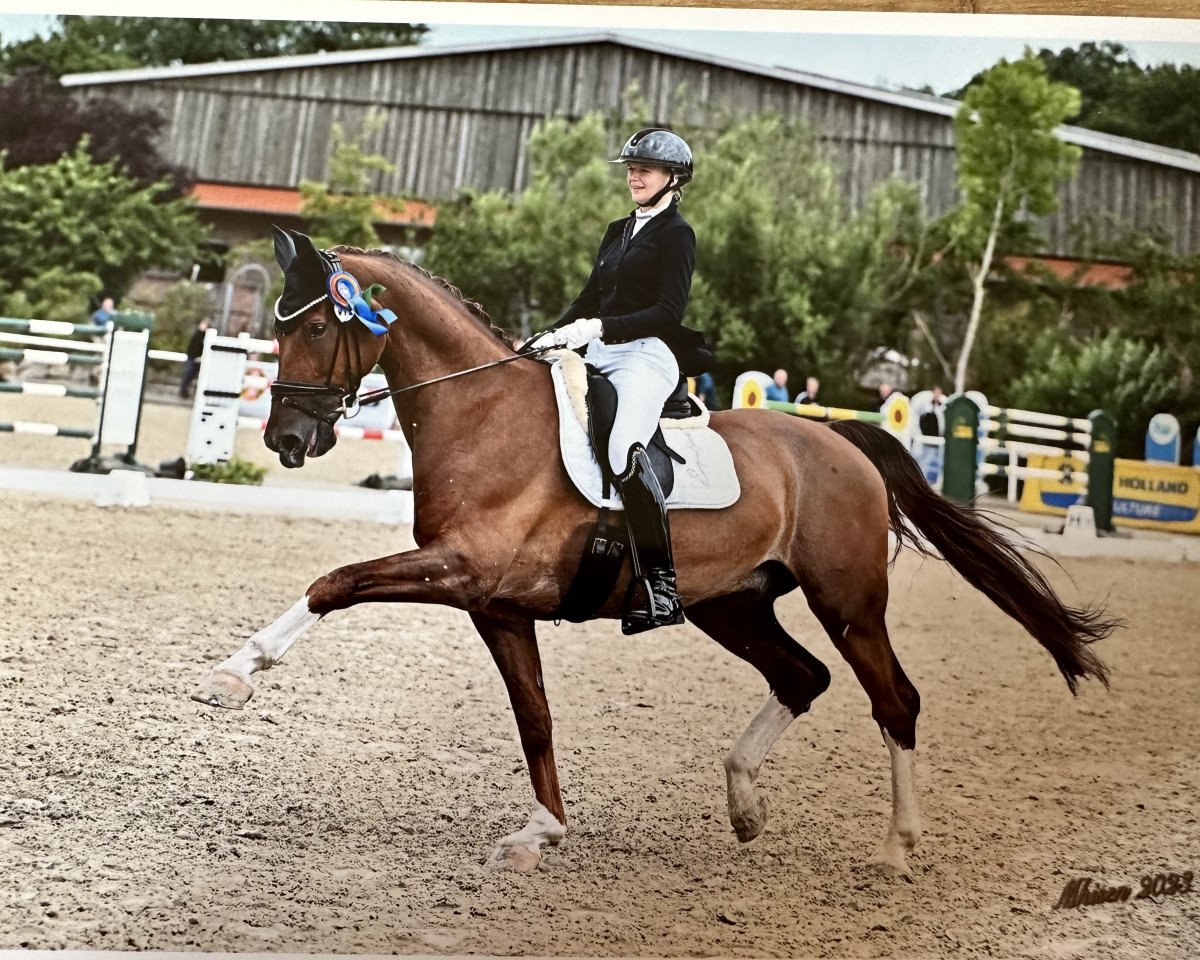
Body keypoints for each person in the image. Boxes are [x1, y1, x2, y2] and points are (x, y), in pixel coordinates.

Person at [527, 128, 710, 634]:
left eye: (644, 168)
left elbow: (667, 313)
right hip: (600, 348)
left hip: (647, 356)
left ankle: (661, 586)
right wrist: (552, 332)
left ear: (673, 179)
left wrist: (601, 327)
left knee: (622, 447)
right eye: (631, 167)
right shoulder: (618, 229)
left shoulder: (677, 234)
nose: (633, 174)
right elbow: (590, 296)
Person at [180, 319, 210, 398]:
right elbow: (193, 348)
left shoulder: (204, 336)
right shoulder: (198, 335)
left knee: (192, 377)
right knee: (188, 376)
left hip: (197, 359)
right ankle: (184, 393)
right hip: (193, 359)